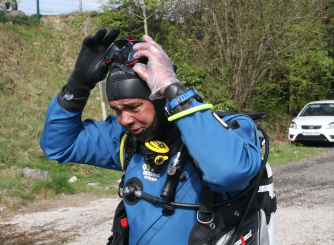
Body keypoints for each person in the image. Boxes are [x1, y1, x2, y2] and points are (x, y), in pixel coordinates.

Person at [40, 27, 275, 245]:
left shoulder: (226, 131)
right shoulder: (128, 139)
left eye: (133, 107)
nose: (124, 120)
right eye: (117, 110)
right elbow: (59, 145)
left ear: (162, 100)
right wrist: (77, 86)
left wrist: (172, 88)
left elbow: (230, 173)